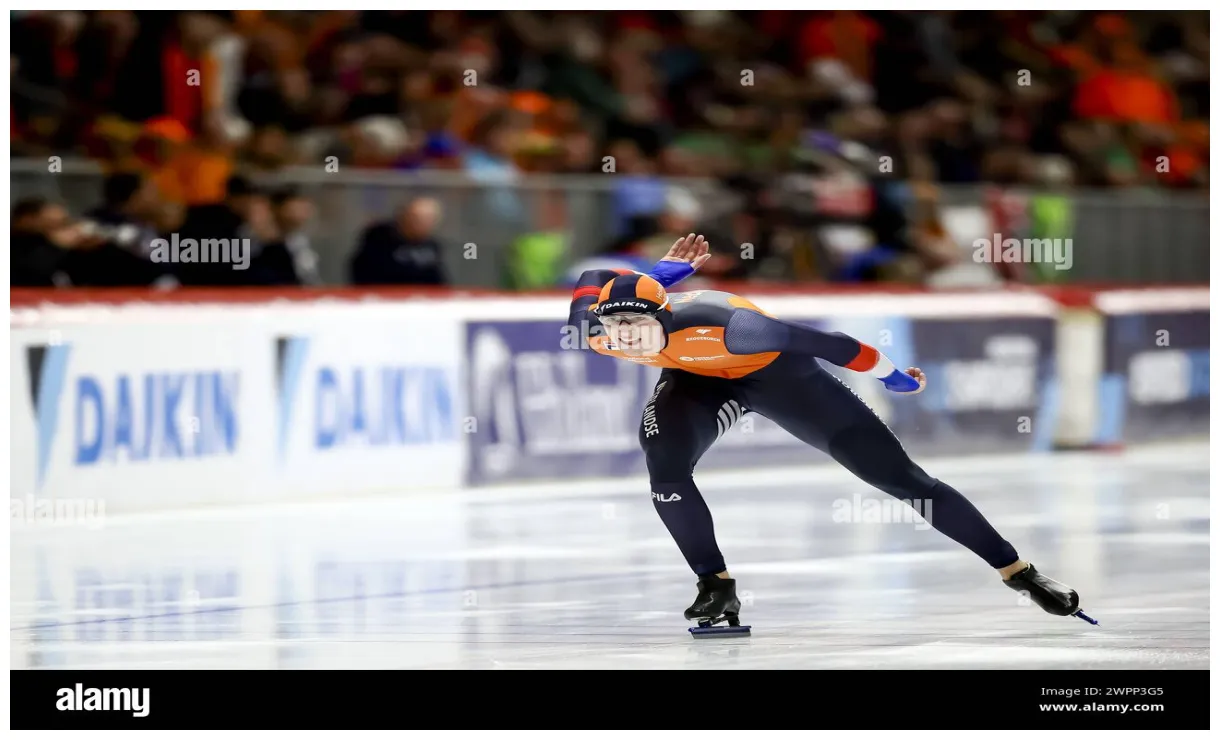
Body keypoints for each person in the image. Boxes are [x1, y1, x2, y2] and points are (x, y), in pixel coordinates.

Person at [565, 233, 1094, 635]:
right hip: (697, 383)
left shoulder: (734, 327)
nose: (627, 342)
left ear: (665, 318)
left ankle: (1017, 571)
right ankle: (715, 585)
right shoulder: (596, 331)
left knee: (903, 480)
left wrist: (893, 375)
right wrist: (660, 272)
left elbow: (837, 346)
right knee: (666, 469)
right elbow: (593, 272)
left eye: (638, 328)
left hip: (782, 379)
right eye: (617, 333)